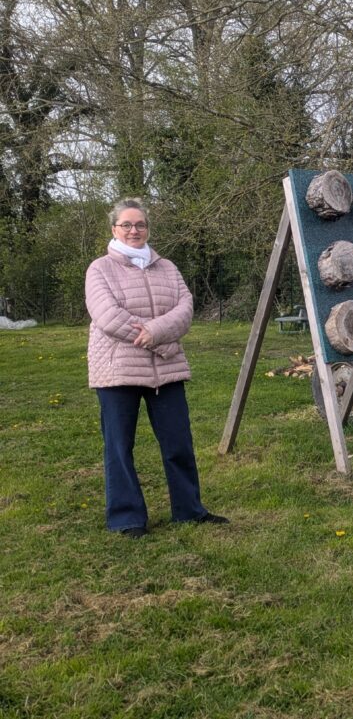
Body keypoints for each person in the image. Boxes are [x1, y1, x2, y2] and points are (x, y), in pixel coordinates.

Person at [85, 197, 228, 537]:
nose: (134, 230)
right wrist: (154, 336)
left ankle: (189, 510)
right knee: (120, 447)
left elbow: (185, 308)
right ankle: (127, 518)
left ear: (148, 228)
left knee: (179, 443)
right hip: (118, 370)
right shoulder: (99, 269)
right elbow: (107, 316)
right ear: (114, 229)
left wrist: (157, 334)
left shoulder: (168, 268)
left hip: (167, 370)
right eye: (127, 225)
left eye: (140, 225)